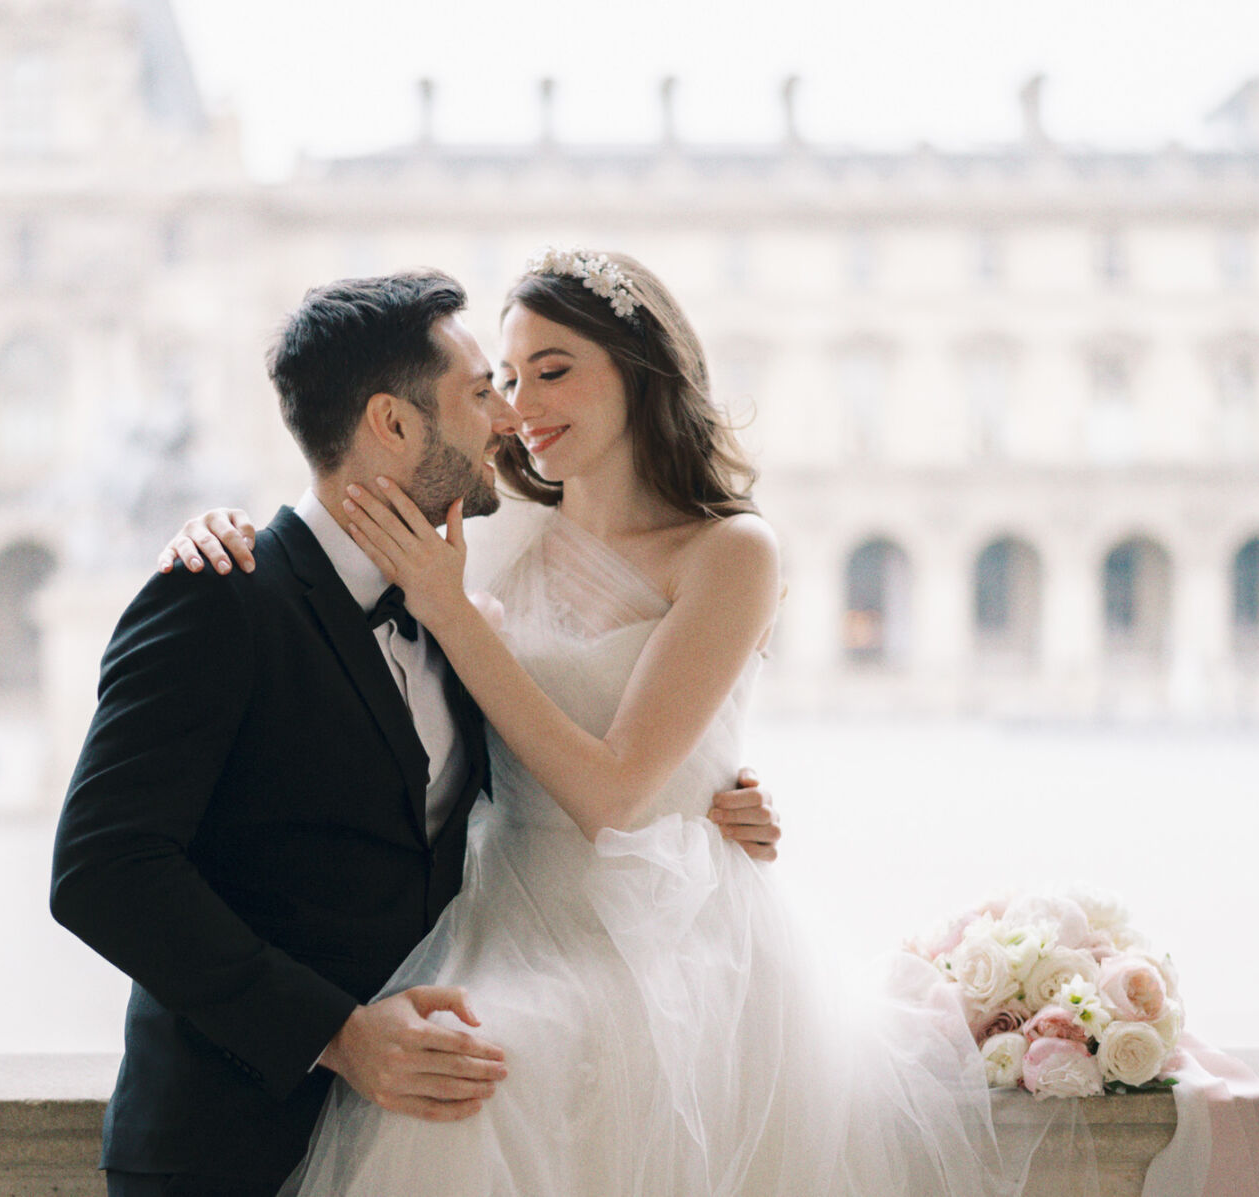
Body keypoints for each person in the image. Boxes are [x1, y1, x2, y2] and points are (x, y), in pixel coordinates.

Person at [163, 250, 1046, 1195]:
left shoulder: (730, 550)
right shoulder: (493, 524)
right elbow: (341, 524)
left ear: (640, 368)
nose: (520, 404)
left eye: (554, 369)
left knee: (491, 1083)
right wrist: (218, 531)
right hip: (497, 903)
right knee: (450, 1073)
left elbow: (618, 793)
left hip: (651, 927)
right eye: (504, 378)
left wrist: (460, 616)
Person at [49, 269, 782, 1197]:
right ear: (394, 425)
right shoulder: (222, 595)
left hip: (446, 1084)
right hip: (226, 1142)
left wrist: (705, 792)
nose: (510, 418)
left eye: (537, 378)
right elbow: (102, 869)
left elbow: (581, 729)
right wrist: (340, 1034)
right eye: (489, 389)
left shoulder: (464, 576)